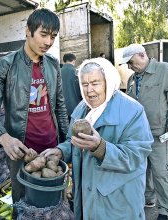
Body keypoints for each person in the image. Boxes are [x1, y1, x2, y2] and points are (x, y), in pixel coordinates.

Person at [0, 8, 69, 215]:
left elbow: (60, 107)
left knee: (55, 205)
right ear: (27, 31)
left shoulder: (53, 65)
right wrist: (4, 138)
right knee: (23, 205)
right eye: (43, 34)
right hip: (21, 151)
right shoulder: (5, 65)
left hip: (52, 149)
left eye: (53, 36)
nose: (48, 42)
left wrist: (67, 145)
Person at [41, 58, 154, 219]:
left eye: (95, 83)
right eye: (85, 84)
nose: (89, 90)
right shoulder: (82, 108)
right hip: (87, 197)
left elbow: (136, 154)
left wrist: (100, 148)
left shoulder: (132, 110)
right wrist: (61, 151)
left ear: (108, 82)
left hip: (117, 200)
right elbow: (72, 141)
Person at [121, 44, 168, 220]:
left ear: (142, 55)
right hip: (138, 135)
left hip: (158, 134)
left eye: (130, 62)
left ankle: (166, 210)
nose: (129, 66)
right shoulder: (132, 79)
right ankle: (148, 199)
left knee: (160, 173)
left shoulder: (165, 70)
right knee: (143, 169)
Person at [61, 53, 82, 120]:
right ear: (73, 61)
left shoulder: (57, 72)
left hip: (61, 108)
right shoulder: (77, 73)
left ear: (63, 61)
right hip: (76, 107)